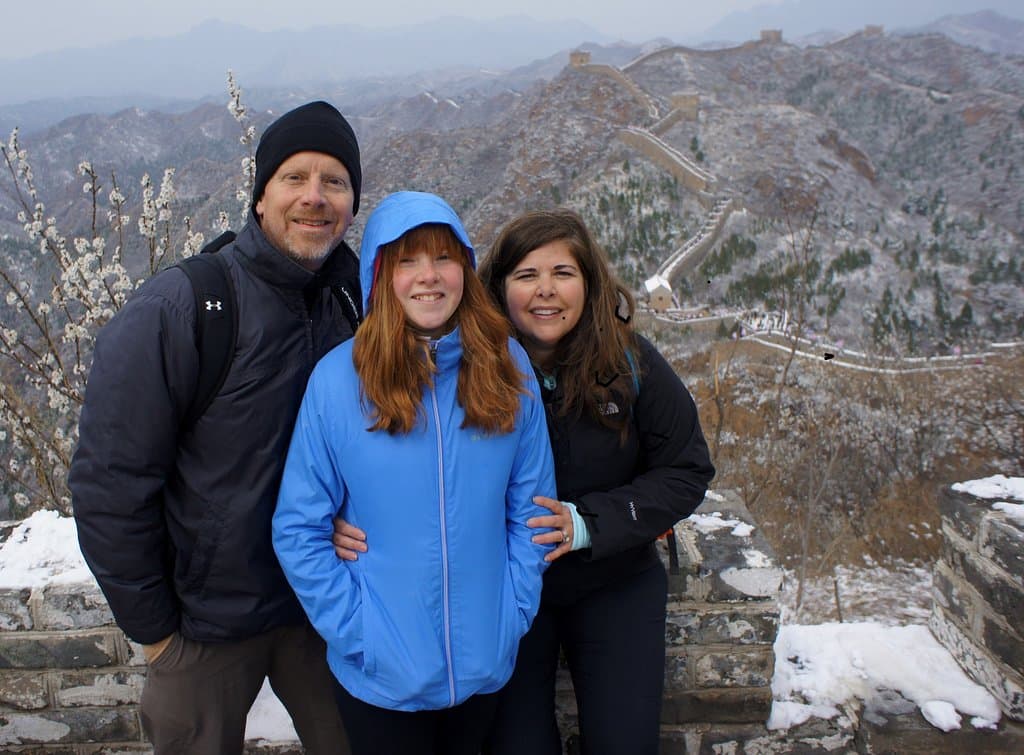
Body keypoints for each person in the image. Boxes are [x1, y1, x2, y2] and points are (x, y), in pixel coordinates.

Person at [69, 100, 362, 755]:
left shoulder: (355, 301)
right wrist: (157, 634)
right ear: (260, 198)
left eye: (334, 182)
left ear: (352, 202)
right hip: (205, 621)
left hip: (322, 603)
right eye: (295, 178)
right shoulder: (186, 306)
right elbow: (109, 482)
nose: (314, 197)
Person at [272, 191, 557, 755]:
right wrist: (361, 636)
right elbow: (298, 530)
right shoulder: (338, 382)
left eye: (443, 258)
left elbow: (534, 511)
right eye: (406, 261)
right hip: (379, 681)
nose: (428, 277)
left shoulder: (507, 365)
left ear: (466, 270)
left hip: (483, 670)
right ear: (380, 276)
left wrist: (512, 614)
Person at [478, 208, 716, 754]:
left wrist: (589, 523)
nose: (546, 292)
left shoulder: (630, 364)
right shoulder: (471, 371)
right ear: (498, 288)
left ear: (589, 282)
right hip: (509, 588)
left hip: (615, 582)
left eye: (563, 273)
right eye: (526, 275)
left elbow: (686, 468)